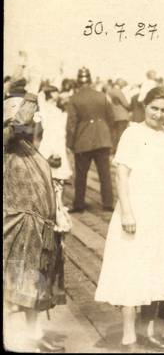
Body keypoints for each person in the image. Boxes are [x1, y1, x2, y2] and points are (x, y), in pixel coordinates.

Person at [94, 86, 164, 350]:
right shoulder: (133, 133)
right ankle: (129, 336)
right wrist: (128, 212)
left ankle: (149, 331)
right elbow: (121, 174)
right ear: (144, 107)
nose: (159, 114)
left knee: (158, 272)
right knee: (132, 271)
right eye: (154, 108)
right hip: (138, 211)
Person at [3, 75, 66, 353]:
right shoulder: (7, 141)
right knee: (15, 284)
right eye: (24, 119)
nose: (30, 124)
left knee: (36, 281)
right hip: (18, 222)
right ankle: (13, 339)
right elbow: (16, 125)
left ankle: (34, 334)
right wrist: (30, 94)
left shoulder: (26, 146)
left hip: (39, 224)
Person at [66, 66, 116, 213]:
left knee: (81, 175)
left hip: (83, 141)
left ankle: (79, 204)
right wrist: (106, 134)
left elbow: (71, 125)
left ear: (78, 82)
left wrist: (69, 143)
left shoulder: (74, 99)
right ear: (90, 80)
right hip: (102, 139)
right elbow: (111, 118)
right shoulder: (101, 96)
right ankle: (108, 203)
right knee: (105, 174)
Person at [37, 85, 72, 190]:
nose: (58, 94)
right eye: (56, 92)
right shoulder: (48, 109)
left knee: (55, 173)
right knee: (54, 173)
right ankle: (55, 202)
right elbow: (52, 129)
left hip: (57, 141)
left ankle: (58, 202)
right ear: (51, 94)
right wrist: (54, 150)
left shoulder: (53, 107)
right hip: (53, 142)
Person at [107, 78, 132, 150]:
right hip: (122, 116)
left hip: (114, 116)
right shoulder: (118, 92)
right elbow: (126, 104)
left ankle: (113, 149)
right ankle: (121, 150)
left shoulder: (109, 92)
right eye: (123, 85)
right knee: (121, 134)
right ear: (119, 84)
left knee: (114, 134)